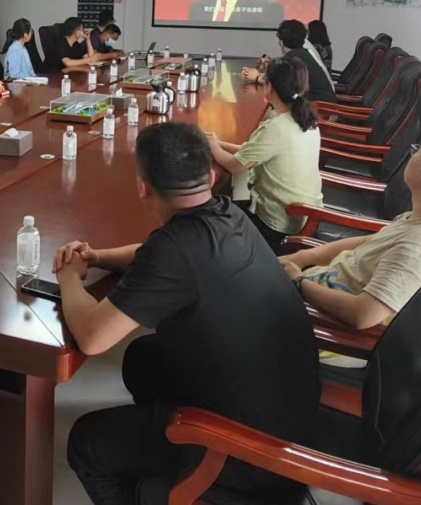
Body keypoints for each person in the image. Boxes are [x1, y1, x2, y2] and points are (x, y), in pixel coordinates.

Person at [57, 122, 320, 504]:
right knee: (143, 358)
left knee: (88, 442)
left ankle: (187, 469)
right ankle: (165, 454)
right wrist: (96, 256)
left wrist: (69, 278)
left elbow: (92, 337)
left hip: (252, 453)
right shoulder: (228, 213)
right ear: (211, 178)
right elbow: (154, 252)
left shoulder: (176, 248)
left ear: (143, 187)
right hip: (289, 416)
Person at [280, 130, 421, 332]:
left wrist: (299, 282)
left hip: (317, 325)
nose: (412, 154)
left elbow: (363, 314)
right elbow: (369, 242)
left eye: (417, 151)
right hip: (310, 290)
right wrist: (304, 256)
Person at [208, 58, 322, 249]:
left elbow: (235, 165)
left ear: (269, 87)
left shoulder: (275, 128)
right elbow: (255, 151)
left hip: (278, 224)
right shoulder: (305, 118)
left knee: (213, 218)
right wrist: (220, 144)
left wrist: (212, 146)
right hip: (305, 214)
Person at [242, 20, 335, 102]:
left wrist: (256, 77)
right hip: (323, 106)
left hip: (320, 109)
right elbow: (279, 75)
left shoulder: (294, 58)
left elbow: (278, 83)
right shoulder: (302, 53)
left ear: (281, 42)